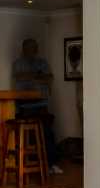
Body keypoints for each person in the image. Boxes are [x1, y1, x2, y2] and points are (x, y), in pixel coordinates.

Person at [11, 38, 63, 174]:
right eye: (28, 47)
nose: (32, 50)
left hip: (41, 104)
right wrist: (38, 76)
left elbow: (49, 78)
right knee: (34, 134)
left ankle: (51, 164)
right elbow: (20, 77)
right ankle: (34, 164)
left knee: (47, 132)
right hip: (24, 107)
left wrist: (33, 77)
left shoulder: (42, 62)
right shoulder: (18, 63)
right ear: (23, 49)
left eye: (34, 47)